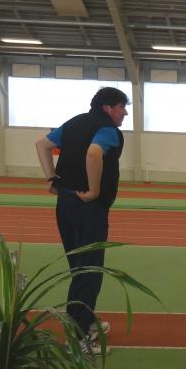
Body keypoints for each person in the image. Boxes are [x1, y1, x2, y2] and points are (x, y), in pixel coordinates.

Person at [34, 86, 129, 354]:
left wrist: (51, 177)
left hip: (65, 205)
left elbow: (41, 144)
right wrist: (94, 190)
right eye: (122, 107)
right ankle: (78, 339)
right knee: (89, 272)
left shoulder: (74, 122)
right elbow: (93, 153)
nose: (125, 113)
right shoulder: (108, 129)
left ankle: (85, 321)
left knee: (79, 268)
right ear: (108, 107)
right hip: (89, 208)